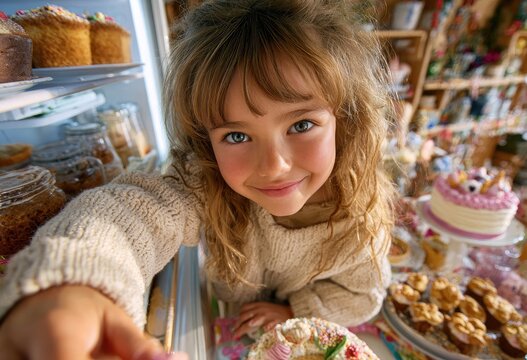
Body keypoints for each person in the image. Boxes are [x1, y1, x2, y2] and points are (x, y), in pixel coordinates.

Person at [0, 0, 395, 358]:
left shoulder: (360, 217)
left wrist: (296, 309)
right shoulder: (205, 182)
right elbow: (134, 212)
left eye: (302, 124)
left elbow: (362, 296)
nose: (273, 165)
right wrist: (76, 280)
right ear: (206, 141)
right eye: (236, 136)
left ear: (346, 119)